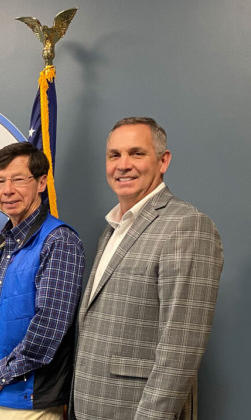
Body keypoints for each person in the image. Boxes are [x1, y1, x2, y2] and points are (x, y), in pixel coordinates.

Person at [72, 117, 224, 419]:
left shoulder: (187, 226)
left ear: (163, 161)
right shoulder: (113, 227)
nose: (123, 164)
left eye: (136, 153)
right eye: (114, 155)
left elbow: (182, 347)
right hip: (92, 407)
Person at [0, 142, 85, 419]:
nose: (7, 190)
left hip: (32, 401)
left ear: (41, 182)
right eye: (0, 181)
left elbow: (49, 328)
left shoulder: (59, 241)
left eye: (18, 180)